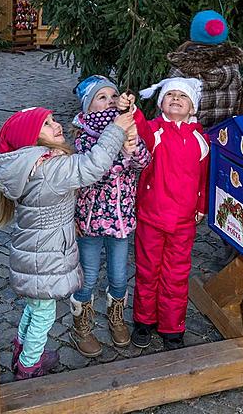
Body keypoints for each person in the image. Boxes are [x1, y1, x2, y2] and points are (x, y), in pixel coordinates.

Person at [0, 105, 134, 380]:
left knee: (34, 307)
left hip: (32, 253)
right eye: (46, 124)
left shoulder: (28, 165)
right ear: (32, 139)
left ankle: (22, 348)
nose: (56, 125)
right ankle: (30, 366)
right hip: (46, 256)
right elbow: (93, 164)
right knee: (44, 314)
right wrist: (116, 128)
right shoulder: (51, 169)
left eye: (53, 119)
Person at [118, 77, 210, 351]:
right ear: (161, 103)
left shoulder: (200, 140)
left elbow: (203, 179)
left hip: (183, 221)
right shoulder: (155, 130)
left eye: (183, 96)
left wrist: (201, 206)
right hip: (152, 217)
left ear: (192, 107)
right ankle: (144, 322)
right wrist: (131, 110)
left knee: (176, 274)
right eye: (170, 95)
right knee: (148, 271)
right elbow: (141, 130)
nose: (176, 99)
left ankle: (172, 326)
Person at [69, 75, 151, 357]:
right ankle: (81, 324)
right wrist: (118, 140)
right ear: (87, 107)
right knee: (88, 275)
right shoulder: (84, 136)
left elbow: (143, 162)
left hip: (121, 217)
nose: (110, 101)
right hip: (90, 219)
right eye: (101, 97)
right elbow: (97, 169)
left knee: (119, 275)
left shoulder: (128, 127)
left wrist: (132, 142)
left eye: (113, 96)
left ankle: (116, 317)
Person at [167, 9, 243, 130]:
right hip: (222, 138)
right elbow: (236, 106)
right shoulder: (233, 68)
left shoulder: (182, 69)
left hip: (189, 141)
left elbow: (168, 111)